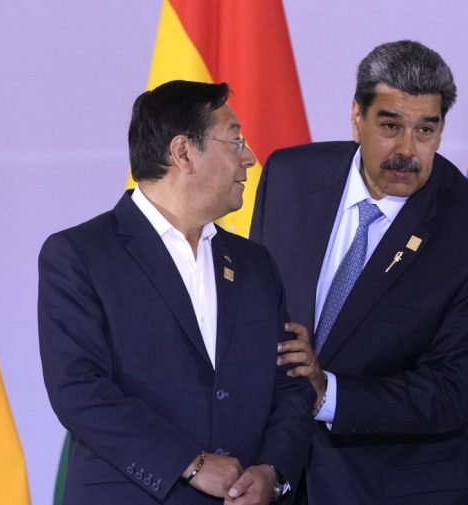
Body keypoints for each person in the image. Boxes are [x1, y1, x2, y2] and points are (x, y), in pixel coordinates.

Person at [250, 40, 468, 504]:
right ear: (357, 116)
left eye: (425, 130)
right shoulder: (289, 177)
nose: (406, 150)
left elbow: (450, 391)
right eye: (390, 126)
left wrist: (327, 393)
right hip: (283, 478)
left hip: (400, 487)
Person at [38, 80, 314, 504]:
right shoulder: (79, 254)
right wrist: (191, 463)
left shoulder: (255, 265)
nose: (250, 158)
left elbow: (291, 387)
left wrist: (273, 471)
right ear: (182, 152)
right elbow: (79, 391)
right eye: (236, 140)